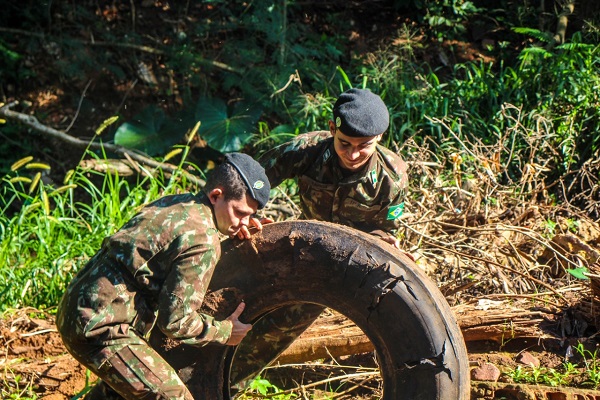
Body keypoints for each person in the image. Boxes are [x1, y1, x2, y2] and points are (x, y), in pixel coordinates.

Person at [230, 88, 410, 385]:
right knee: (241, 301)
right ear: (331, 129)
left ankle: (230, 384)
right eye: (344, 143)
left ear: (379, 138)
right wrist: (246, 215)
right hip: (298, 246)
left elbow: (386, 228)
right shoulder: (306, 150)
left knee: (279, 330)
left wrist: (386, 242)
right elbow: (253, 180)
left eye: (363, 146)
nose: (353, 154)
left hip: (341, 266)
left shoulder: (393, 177)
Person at [56, 153, 271, 400]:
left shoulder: (178, 203)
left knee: (118, 394)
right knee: (172, 397)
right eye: (240, 213)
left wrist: (231, 226)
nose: (244, 222)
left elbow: (179, 244)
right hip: (101, 329)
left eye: (249, 215)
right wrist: (224, 331)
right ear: (216, 196)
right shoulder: (204, 241)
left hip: (79, 307)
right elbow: (175, 322)